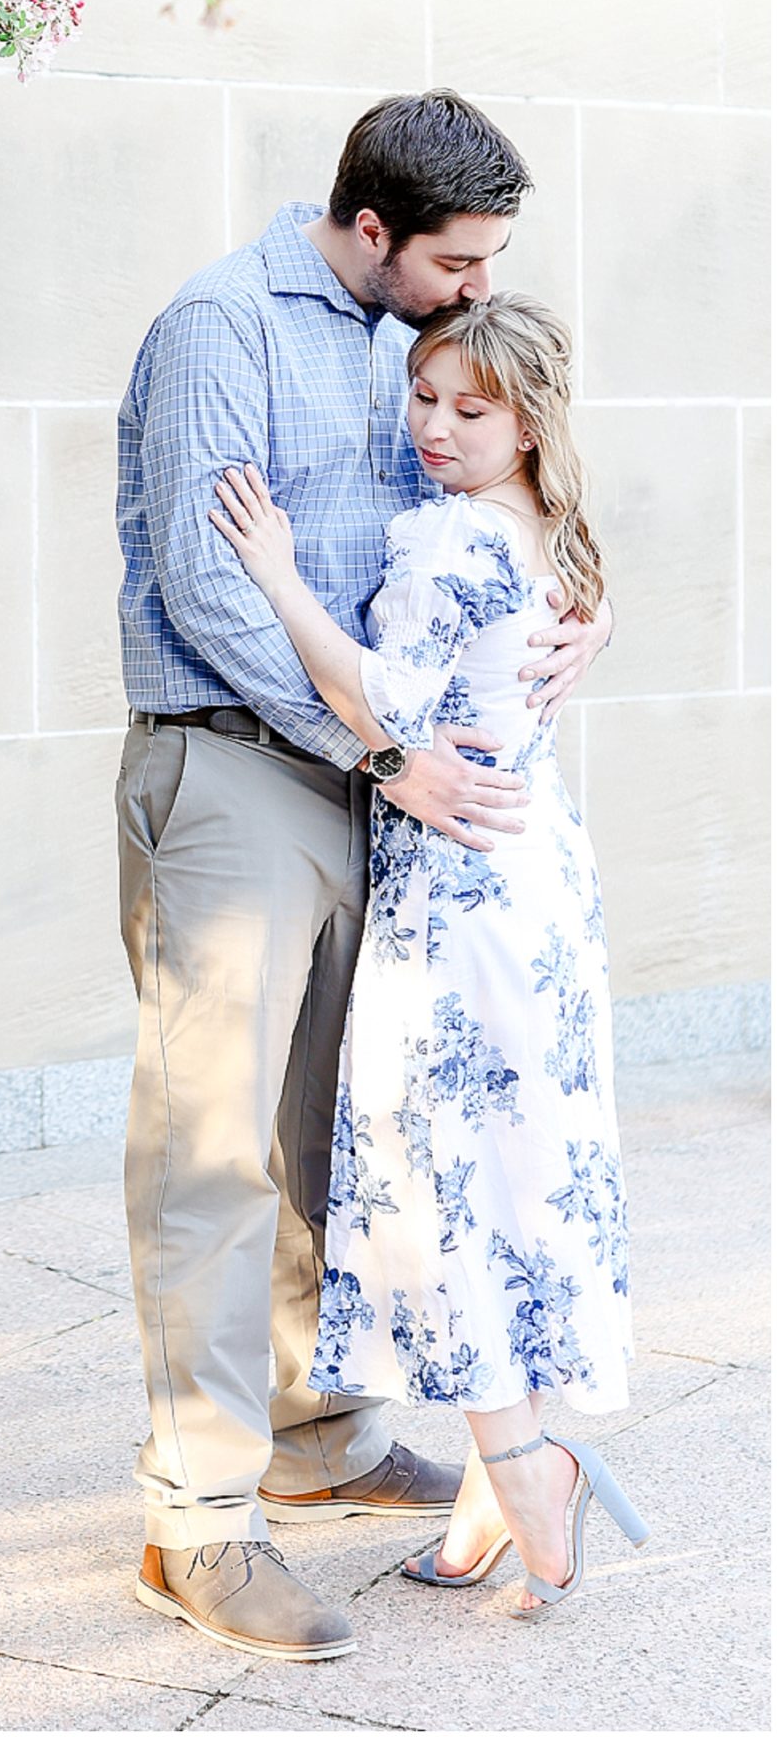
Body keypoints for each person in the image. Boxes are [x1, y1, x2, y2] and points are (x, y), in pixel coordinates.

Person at [115, 90, 613, 1664]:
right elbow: (209, 577)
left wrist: (576, 614)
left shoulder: (410, 346)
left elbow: (491, 506)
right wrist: (386, 751)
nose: (476, 289)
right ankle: (195, 1522)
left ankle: (315, 1429)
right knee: (210, 1150)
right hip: (242, 764)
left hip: (380, 788)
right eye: (458, 261)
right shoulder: (219, 328)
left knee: (341, 1130)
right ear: (375, 232)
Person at [209, 292, 644, 1618]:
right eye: (423, 399)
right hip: (537, 883)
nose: (434, 429)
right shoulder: (552, 530)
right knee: (525, 1174)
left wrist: (275, 573)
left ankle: (528, 1470)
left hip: (462, 900)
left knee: (448, 1180)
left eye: (470, 409)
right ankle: (487, 1502)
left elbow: (378, 702)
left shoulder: (454, 543)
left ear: (527, 424)